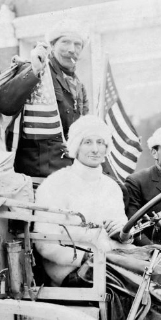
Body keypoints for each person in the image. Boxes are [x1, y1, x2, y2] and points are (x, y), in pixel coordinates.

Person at [34, 116, 129, 285]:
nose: (95, 149)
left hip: (110, 261)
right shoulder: (56, 184)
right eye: (88, 142)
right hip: (72, 269)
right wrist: (86, 256)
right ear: (76, 146)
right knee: (138, 282)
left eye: (100, 142)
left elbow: (121, 229)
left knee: (154, 269)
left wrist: (124, 235)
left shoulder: (111, 187)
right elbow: (44, 244)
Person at [0, 19, 90, 178]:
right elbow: (5, 105)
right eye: (65, 42)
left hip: (68, 168)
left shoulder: (78, 85)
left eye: (78, 44)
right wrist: (34, 71)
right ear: (52, 45)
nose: (72, 49)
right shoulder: (37, 68)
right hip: (36, 174)